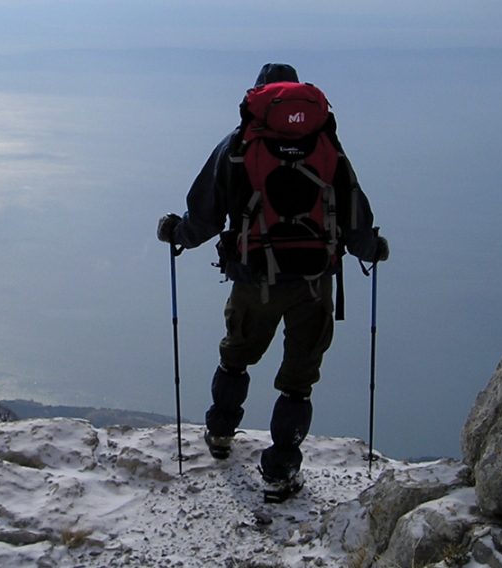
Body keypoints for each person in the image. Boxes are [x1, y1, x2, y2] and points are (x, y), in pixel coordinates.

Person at [156, 63, 389, 497]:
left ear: (260, 96)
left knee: (235, 358)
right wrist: (371, 250)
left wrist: (177, 234)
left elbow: (205, 215)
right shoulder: (327, 147)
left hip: (253, 280)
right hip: (314, 283)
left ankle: (222, 434)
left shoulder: (240, 145)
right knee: (298, 383)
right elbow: (356, 217)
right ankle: (281, 470)